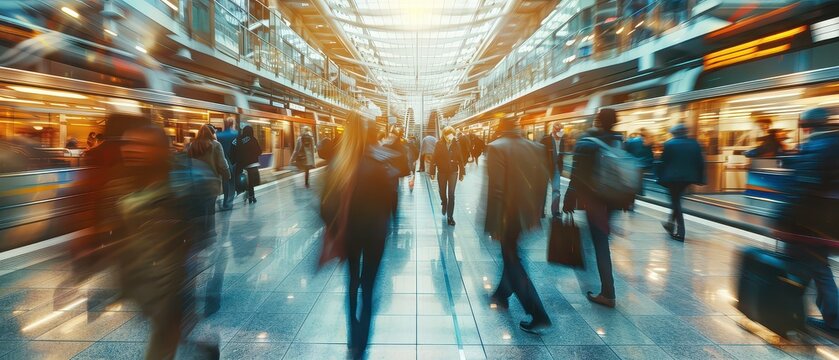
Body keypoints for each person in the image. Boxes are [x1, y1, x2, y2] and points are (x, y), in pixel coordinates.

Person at [319, 113, 398, 360]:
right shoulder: (379, 164)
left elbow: (325, 205)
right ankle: (362, 341)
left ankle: (353, 337)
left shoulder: (339, 165)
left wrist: (333, 230)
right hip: (375, 234)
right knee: (369, 286)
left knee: (352, 283)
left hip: (350, 234)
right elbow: (391, 202)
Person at [775, 108, 839, 334]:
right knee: (818, 268)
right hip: (830, 224)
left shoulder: (815, 147)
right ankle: (818, 316)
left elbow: (800, 189)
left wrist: (781, 218)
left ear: (807, 125)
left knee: (811, 269)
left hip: (808, 224)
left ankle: (792, 316)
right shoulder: (834, 143)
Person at [485, 117, 551, 333]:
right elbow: (543, 182)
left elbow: (496, 190)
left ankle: (538, 314)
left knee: (512, 260)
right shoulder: (535, 147)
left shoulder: (496, 148)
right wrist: (536, 214)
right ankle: (501, 295)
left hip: (507, 215)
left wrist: (494, 223)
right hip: (526, 213)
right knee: (512, 253)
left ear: (500, 128)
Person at [563, 108, 624, 308]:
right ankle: (607, 288)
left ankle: (608, 293)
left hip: (595, 201)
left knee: (600, 245)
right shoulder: (619, 141)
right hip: (614, 200)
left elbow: (576, 175)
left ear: (597, 120)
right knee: (602, 240)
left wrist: (569, 199)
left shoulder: (586, 143)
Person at [657, 123, 705, 242]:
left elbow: (663, 162)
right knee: (677, 201)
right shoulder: (695, 143)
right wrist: (700, 178)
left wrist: (658, 176)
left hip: (672, 178)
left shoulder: (669, 144)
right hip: (687, 178)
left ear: (674, 133)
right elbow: (700, 162)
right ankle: (669, 224)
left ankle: (681, 231)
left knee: (676, 203)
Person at [187, 124, 230, 239]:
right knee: (210, 208)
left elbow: (188, 163)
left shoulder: (192, 145)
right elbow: (222, 164)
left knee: (199, 208)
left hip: (196, 182)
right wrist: (227, 176)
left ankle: (200, 232)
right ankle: (210, 232)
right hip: (212, 182)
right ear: (212, 133)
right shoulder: (216, 145)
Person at [429, 126, 465, 226]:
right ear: (444, 135)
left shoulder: (456, 144)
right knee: (442, 191)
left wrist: (462, 172)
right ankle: (444, 202)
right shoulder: (439, 144)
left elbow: (460, 158)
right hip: (442, 171)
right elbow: (434, 158)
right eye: (447, 134)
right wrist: (432, 171)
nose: (449, 136)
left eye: (451, 134)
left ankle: (450, 217)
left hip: (453, 171)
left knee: (451, 194)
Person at [540, 122, 567, 218]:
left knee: (556, 190)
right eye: (557, 130)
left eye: (560, 130)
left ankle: (555, 212)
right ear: (553, 130)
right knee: (543, 190)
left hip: (556, 168)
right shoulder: (545, 139)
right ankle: (540, 212)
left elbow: (562, 154)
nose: (558, 132)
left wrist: (561, 168)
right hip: (545, 168)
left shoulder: (562, 139)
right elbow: (540, 153)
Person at [232, 125, 261, 204]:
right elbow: (259, 151)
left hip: (241, 164)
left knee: (240, 179)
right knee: (251, 181)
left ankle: (244, 191)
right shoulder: (253, 139)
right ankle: (252, 196)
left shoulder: (237, 139)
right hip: (252, 164)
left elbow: (233, 149)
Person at [216, 117, 238, 210]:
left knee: (225, 181)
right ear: (232, 124)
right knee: (232, 182)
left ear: (224, 124)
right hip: (233, 161)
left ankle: (225, 201)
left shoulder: (219, 135)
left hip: (223, 160)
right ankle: (229, 202)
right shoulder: (236, 134)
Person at [624, 128, 654, 196]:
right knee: (640, 180)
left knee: (633, 180)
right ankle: (640, 193)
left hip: (633, 163)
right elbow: (650, 154)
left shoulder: (631, 141)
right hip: (643, 164)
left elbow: (627, 152)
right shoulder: (648, 142)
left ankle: (635, 194)